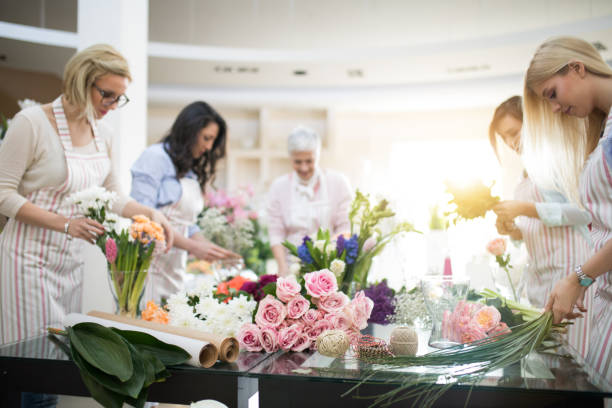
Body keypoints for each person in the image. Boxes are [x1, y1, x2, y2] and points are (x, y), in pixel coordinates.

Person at [0, 44, 174, 407]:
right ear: (81, 81)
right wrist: (66, 224)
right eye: (106, 94)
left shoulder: (104, 133)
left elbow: (111, 195)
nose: (111, 104)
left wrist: (150, 213)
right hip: (26, 261)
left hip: (69, 263)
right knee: (31, 368)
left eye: (119, 98)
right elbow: (2, 193)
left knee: (60, 362)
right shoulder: (32, 123)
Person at [522, 36, 612, 391]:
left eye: (552, 94)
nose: (555, 109)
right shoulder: (603, 132)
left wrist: (578, 279)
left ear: (576, 67)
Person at [489, 95, 593, 357]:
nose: (512, 143)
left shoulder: (562, 161)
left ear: (534, 121)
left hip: (571, 277)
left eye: (514, 132)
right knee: (551, 364)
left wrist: (525, 209)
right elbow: (540, 230)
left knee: (575, 364)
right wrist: (514, 230)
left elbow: (585, 213)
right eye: (505, 138)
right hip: (541, 282)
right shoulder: (525, 177)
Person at [131, 101, 239, 304]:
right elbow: (143, 218)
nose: (208, 147)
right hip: (147, 268)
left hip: (174, 269)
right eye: (206, 138)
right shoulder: (154, 158)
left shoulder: (187, 167)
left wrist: (211, 250)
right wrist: (192, 247)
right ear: (190, 130)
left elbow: (186, 225)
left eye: (212, 141)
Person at [266, 125, 352, 276]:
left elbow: (345, 227)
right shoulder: (279, 187)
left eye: (309, 161)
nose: (304, 168)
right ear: (290, 158)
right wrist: (282, 266)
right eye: (298, 162)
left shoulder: (338, 182)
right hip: (292, 267)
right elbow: (276, 233)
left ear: (318, 156)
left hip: (329, 267)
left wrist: (327, 256)